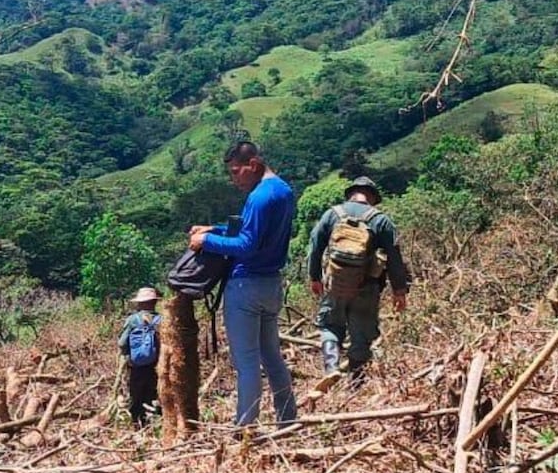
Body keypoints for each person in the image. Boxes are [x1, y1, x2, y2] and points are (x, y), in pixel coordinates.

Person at [189, 141, 298, 426]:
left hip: (246, 286)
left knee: (247, 362)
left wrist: (206, 241)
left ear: (253, 165)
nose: (234, 179)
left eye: (237, 172)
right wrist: (216, 229)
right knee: (272, 357)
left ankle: (246, 427)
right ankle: (288, 419)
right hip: (271, 284)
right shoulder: (283, 191)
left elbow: (247, 245)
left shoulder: (259, 197)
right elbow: (255, 233)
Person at [307, 176, 409, 387]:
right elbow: (395, 259)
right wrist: (399, 291)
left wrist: (314, 277)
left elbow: (315, 247)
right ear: (372, 197)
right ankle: (356, 385)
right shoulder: (381, 220)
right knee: (361, 336)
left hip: (335, 284)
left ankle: (331, 367)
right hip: (367, 288)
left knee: (329, 326)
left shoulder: (331, 215)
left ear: (351, 193)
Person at [117, 287, 162, 426]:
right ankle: (155, 424)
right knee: (154, 395)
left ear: (140, 303)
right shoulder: (162, 320)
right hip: (158, 366)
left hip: (136, 366)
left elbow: (122, 343)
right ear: (154, 302)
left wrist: (128, 357)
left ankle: (137, 424)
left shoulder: (133, 320)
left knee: (136, 396)